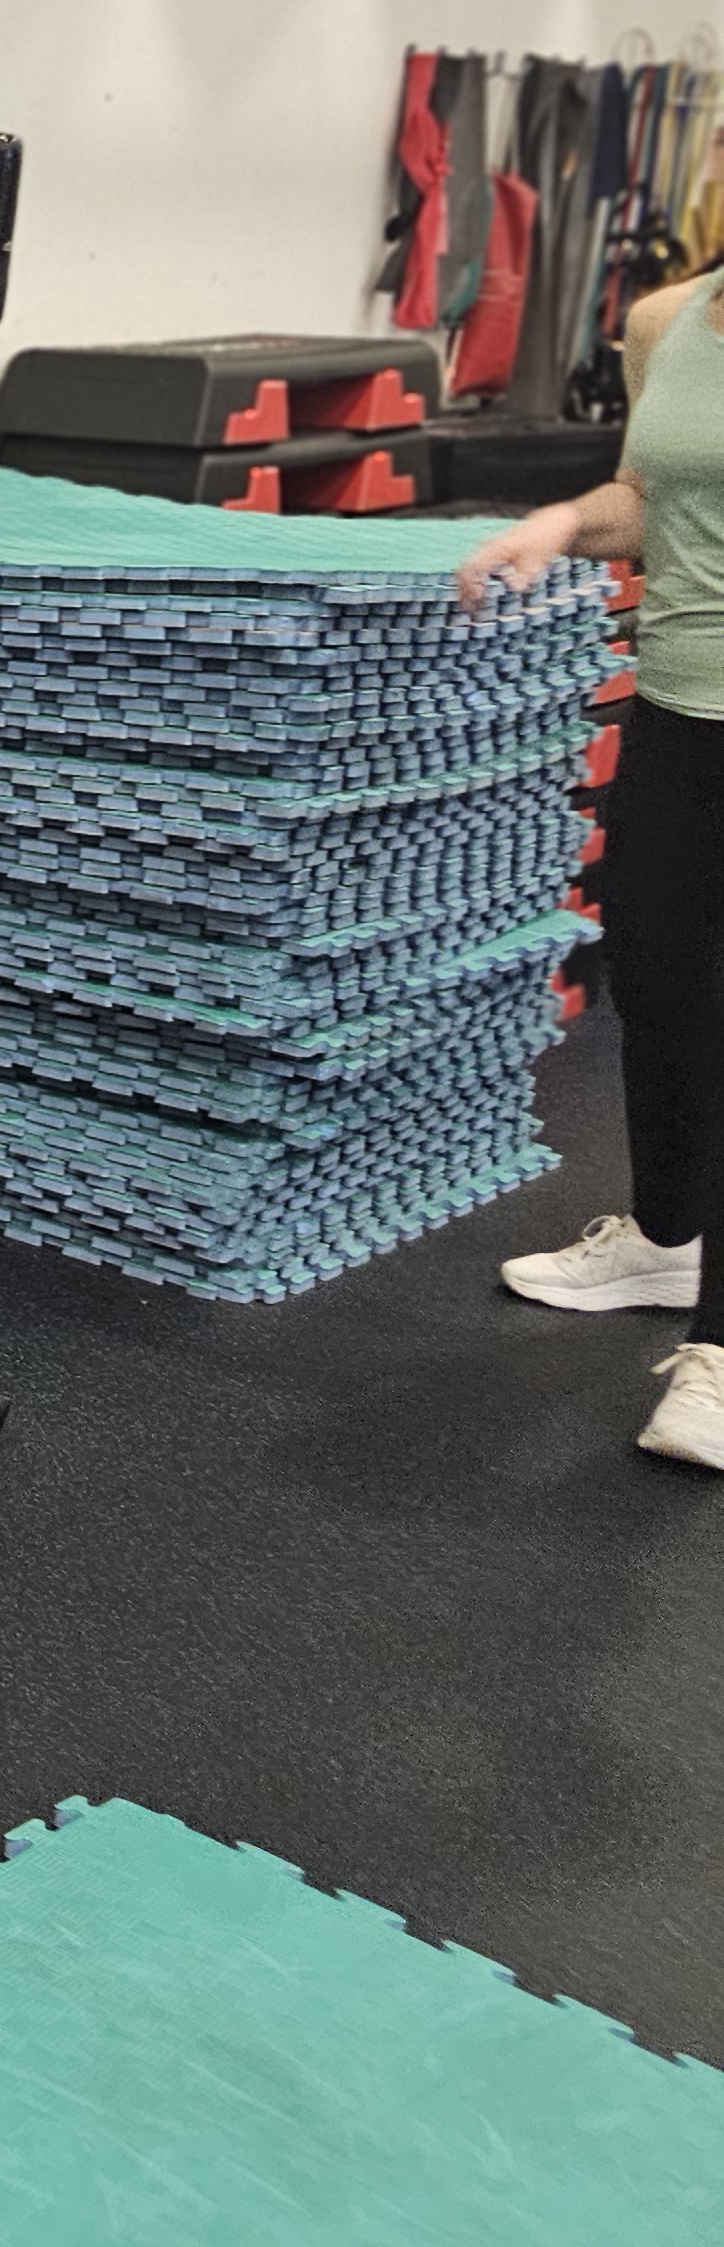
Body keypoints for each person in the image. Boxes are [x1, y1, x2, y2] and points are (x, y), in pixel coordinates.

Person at [461, 271, 724, 1468]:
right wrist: (562, 525)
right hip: (678, 708)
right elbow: (649, 499)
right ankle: (667, 1242)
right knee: (658, 987)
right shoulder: (668, 322)